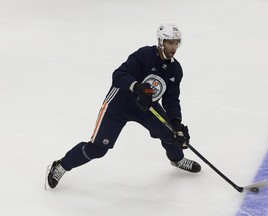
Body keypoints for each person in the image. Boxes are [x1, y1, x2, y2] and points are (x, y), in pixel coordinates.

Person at [46, 23, 201, 189]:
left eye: (176, 42)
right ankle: (61, 165)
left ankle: (177, 159)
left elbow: (171, 100)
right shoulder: (144, 55)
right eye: (170, 42)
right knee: (98, 148)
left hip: (146, 107)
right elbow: (118, 75)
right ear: (161, 41)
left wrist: (177, 122)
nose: (174, 47)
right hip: (119, 105)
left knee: (172, 133)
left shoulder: (175, 69)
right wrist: (138, 87)